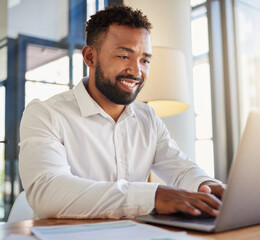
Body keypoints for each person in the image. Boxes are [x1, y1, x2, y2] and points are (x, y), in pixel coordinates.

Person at [19, 5, 225, 219]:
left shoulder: (148, 118)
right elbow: (47, 192)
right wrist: (152, 197)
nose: (137, 71)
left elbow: (181, 169)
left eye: (145, 60)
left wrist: (207, 185)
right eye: (124, 56)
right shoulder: (44, 114)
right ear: (90, 57)